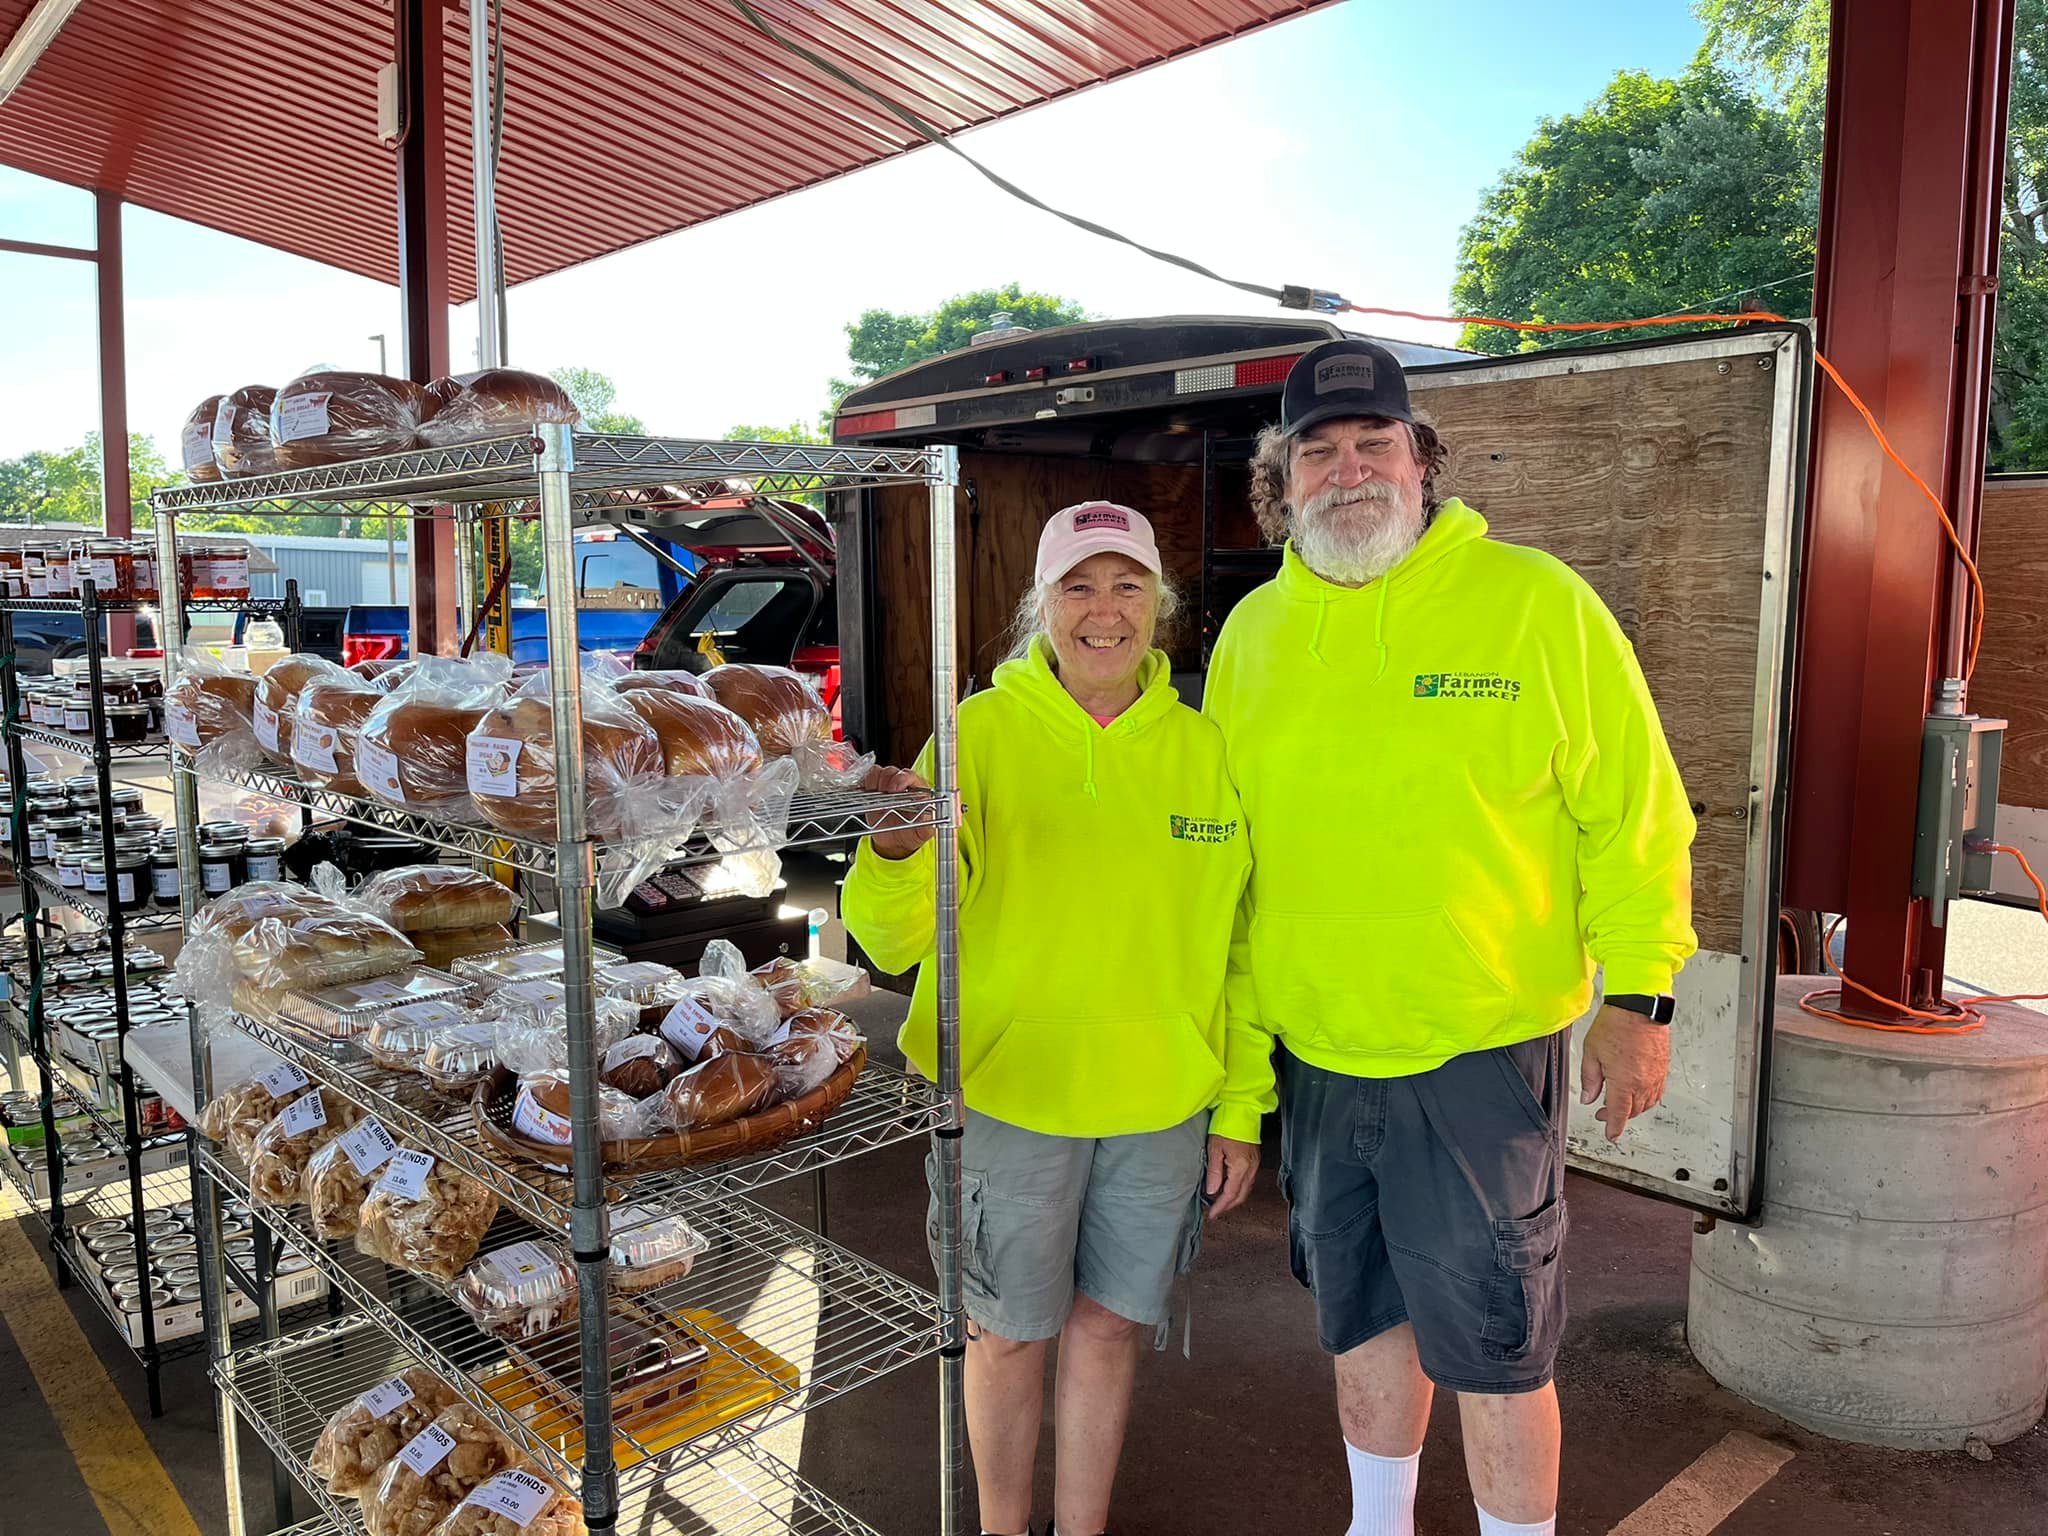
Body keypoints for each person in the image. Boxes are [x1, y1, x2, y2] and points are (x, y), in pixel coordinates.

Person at [1205, 338, 1698, 1536]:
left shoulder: (1534, 604)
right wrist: (1234, 1081)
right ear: (1283, 483)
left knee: (1495, 1349)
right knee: (1360, 1323)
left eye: (1373, 443)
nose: (1347, 470)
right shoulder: (1251, 636)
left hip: (1479, 1053)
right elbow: (1228, 878)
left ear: (1421, 461)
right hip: (1317, 1056)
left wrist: (1639, 999)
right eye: (1315, 452)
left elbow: (1634, 813)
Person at [842, 501, 1267, 1536]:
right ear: (1042, 604)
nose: (1104, 611)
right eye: (1078, 585)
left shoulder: (1210, 750)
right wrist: (896, 852)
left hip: (1159, 1102)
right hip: (1008, 1093)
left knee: (1111, 1331)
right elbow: (894, 939)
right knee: (1006, 1335)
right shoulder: (976, 734)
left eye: (1126, 585)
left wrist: (1241, 1103)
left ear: (1158, 605)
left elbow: (1242, 949)